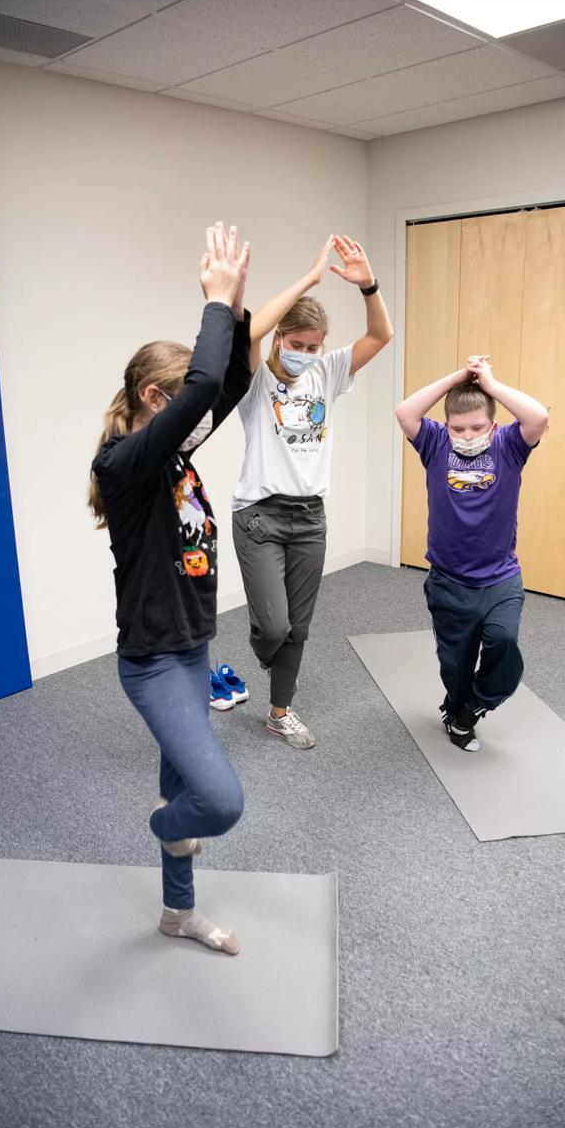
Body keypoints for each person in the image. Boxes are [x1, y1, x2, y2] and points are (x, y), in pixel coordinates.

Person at [89, 223, 251, 954]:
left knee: (182, 781)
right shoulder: (126, 462)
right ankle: (165, 828)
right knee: (210, 801)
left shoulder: (173, 453)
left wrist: (238, 309)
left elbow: (231, 383)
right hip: (153, 660)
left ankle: (177, 913)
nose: (194, 419)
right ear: (157, 398)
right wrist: (211, 302)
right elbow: (208, 385)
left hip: (192, 646)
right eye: (179, 403)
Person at [232, 235, 394, 749]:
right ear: (281, 338)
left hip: (310, 518)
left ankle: (280, 712)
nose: (304, 354)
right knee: (275, 626)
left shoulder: (327, 372)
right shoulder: (255, 380)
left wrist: (367, 283)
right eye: (296, 344)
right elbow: (249, 330)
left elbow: (380, 334)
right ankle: (265, 648)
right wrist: (310, 278)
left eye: (312, 346)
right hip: (259, 514)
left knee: (298, 626)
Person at [395, 355, 549, 751]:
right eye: (458, 428)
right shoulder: (434, 444)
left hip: (500, 578)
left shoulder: (508, 446)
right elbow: (405, 411)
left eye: (477, 427)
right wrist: (458, 378)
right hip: (448, 581)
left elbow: (537, 418)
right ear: (446, 427)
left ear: (493, 426)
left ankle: (474, 707)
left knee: (504, 642)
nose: (467, 435)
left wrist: (490, 385)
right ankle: (457, 712)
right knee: (455, 664)